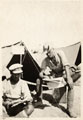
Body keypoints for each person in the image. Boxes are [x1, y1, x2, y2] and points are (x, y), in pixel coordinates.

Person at [36, 48, 81, 117]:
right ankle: (39, 100)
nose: (48, 54)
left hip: (65, 73)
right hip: (56, 75)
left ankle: (70, 109)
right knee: (38, 80)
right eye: (46, 53)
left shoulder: (60, 53)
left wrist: (69, 78)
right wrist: (43, 76)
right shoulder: (46, 60)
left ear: (53, 49)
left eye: (49, 52)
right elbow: (41, 72)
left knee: (70, 82)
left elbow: (66, 66)